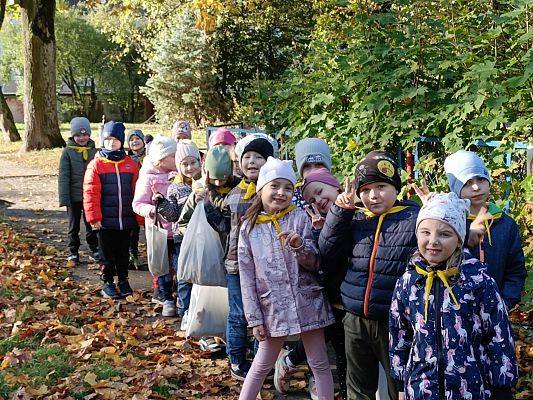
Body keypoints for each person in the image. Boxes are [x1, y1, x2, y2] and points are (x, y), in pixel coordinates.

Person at [389, 192, 518, 400]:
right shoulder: (408, 282)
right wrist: (400, 383)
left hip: (471, 390)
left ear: (459, 240)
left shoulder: (478, 281)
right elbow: (399, 335)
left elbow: (498, 334)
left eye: (444, 234)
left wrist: (502, 387)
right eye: (425, 232)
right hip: (421, 388)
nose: (433, 241)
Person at [319, 151, 420, 400]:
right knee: (358, 388)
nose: (373, 195)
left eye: (381, 187)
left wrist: (434, 209)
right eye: (365, 190)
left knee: (402, 384)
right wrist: (340, 211)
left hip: (394, 321)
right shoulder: (356, 220)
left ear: (395, 187)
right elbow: (327, 251)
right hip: (355, 318)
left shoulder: (413, 218)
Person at [238, 156, 335, 400]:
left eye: (288, 188)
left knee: (319, 363)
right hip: (273, 307)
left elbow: (315, 263)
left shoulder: (301, 218)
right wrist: (254, 318)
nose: (281, 193)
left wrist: (300, 245)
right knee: (261, 365)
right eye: (275, 186)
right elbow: (246, 277)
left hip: (308, 303)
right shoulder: (248, 228)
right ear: (261, 189)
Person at [203, 136, 275, 380]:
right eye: (247, 157)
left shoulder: (273, 191)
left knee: (263, 315)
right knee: (238, 314)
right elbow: (222, 225)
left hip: (266, 265)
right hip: (236, 264)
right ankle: (236, 360)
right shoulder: (235, 193)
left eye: (258, 158)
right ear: (239, 162)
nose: (252, 162)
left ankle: (260, 361)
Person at [274, 168, 347, 399]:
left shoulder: (362, 210)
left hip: (353, 297)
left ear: (335, 185)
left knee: (335, 343)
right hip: (332, 294)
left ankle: (291, 358)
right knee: (335, 345)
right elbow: (321, 259)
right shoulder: (318, 222)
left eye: (319, 191)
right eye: (311, 200)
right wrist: (318, 232)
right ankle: (292, 360)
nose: (318, 200)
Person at [443, 150, 526, 309]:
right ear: (455, 188)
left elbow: (515, 270)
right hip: (457, 312)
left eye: (481, 179)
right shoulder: (449, 225)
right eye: (467, 182)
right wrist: (467, 240)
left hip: (497, 310)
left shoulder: (506, 224)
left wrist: (505, 303)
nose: (475, 187)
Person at [177, 145, 240, 317]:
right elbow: (182, 223)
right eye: (214, 179)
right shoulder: (200, 192)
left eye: (223, 178)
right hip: (207, 257)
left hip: (233, 255)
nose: (219, 183)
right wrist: (194, 235)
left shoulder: (239, 190)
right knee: (205, 300)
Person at [83, 121, 140, 299]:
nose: (111, 143)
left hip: (125, 219)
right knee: (107, 254)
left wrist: (138, 218)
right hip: (105, 220)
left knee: (123, 253)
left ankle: (123, 280)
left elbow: (137, 191)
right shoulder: (96, 164)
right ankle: (107, 282)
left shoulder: (130, 164)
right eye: (108, 139)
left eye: (115, 140)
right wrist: (93, 218)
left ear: (121, 141)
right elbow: (90, 192)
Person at [155, 140, 202, 318]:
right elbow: (173, 215)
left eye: (193, 162)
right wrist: (161, 203)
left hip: (203, 237)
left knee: (202, 276)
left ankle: (201, 311)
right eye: (185, 164)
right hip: (182, 238)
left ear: (200, 162)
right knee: (184, 276)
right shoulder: (175, 187)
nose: (189, 168)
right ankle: (184, 312)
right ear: (178, 166)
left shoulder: (206, 184)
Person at [132, 135, 178, 316]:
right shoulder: (147, 177)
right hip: (159, 232)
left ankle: (180, 297)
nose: (177, 159)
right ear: (161, 160)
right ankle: (167, 298)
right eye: (173, 156)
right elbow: (137, 204)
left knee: (180, 266)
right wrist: (151, 210)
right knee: (163, 267)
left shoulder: (180, 174)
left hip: (179, 230)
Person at [58, 117, 99, 267]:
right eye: (78, 135)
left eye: (85, 134)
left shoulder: (95, 152)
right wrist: (64, 198)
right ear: (72, 136)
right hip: (73, 197)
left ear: (89, 134)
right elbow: (63, 177)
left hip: (90, 196)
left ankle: (95, 249)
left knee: (92, 224)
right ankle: (73, 251)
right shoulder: (67, 152)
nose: (82, 138)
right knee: (73, 226)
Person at [293, 138, 333, 209]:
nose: (313, 171)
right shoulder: (293, 201)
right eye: (307, 166)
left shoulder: (341, 193)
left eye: (318, 165)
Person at [126, 129, 146, 269]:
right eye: (131, 139)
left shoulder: (150, 156)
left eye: (137, 138)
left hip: (147, 196)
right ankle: (132, 254)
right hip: (131, 196)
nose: (135, 141)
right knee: (132, 229)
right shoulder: (126, 158)